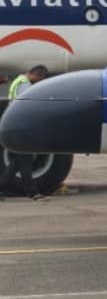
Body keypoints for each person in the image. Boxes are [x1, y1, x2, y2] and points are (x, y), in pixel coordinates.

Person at [2, 64, 49, 200]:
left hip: (16, 127)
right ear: (36, 75)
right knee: (25, 161)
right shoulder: (24, 85)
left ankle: (31, 192)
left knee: (18, 163)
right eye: (40, 79)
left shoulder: (21, 81)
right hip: (21, 128)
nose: (39, 82)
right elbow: (28, 105)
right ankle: (33, 193)